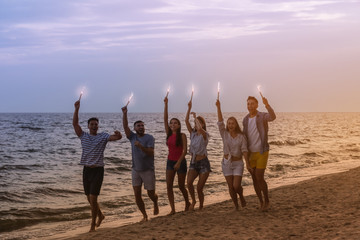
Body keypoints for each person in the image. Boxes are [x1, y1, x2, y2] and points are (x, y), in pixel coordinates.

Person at [72, 100, 122, 232]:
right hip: (86, 170)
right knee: (89, 199)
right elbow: (75, 124)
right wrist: (77, 109)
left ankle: (92, 225)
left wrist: (119, 135)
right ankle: (101, 215)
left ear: (98, 126)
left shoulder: (103, 136)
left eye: (96, 124)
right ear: (88, 126)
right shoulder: (83, 136)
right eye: (92, 124)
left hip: (98, 171)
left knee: (93, 199)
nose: (94, 126)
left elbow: (115, 138)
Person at [121, 106, 159, 221]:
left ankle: (155, 203)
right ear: (135, 128)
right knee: (137, 194)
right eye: (138, 126)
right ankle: (144, 215)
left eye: (142, 125)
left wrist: (141, 147)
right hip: (135, 170)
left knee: (151, 194)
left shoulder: (149, 138)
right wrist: (125, 113)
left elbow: (151, 153)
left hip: (148, 170)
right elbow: (125, 127)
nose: (141, 127)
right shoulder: (132, 137)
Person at [242, 96, 276, 211]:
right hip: (251, 153)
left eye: (252, 104)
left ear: (256, 105)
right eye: (248, 104)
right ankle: (261, 201)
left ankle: (267, 200)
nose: (250, 106)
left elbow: (272, 117)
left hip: (262, 151)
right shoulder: (245, 119)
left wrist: (267, 104)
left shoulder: (262, 116)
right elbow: (244, 137)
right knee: (254, 179)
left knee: (259, 177)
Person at [216, 99, 250, 210]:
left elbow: (245, 150)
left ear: (236, 125)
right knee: (230, 187)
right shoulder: (224, 134)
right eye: (229, 123)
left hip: (238, 163)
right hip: (226, 163)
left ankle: (241, 196)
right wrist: (218, 107)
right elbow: (220, 121)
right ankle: (236, 206)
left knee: (236, 186)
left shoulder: (241, 136)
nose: (230, 125)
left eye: (232, 123)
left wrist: (248, 164)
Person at [163, 96, 190, 214]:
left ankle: (187, 202)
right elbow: (165, 119)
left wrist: (179, 162)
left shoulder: (182, 135)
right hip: (170, 161)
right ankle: (173, 209)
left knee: (181, 186)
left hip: (181, 162)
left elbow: (185, 150)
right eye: (171, 123)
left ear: (179, 125)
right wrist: (166, 104)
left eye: (175, 123)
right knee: (169, 186)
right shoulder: (169, 134)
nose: (173, 124)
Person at [185, 100, 211, 210]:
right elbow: (186, 121)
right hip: (194, 162)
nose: (195, 125)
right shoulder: (193, 134)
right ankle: (194, 201)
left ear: (202, 124)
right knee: (189, 183)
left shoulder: (205, 135)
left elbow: (201, 129)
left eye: (197, 123)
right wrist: (189, 108)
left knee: (199, 188)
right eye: (195, 123)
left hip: (204, 163)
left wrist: (195, 117)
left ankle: (201, 205)